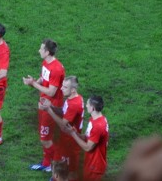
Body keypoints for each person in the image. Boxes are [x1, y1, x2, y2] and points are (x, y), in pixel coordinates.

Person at [22, 39, 66, 172]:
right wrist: (33, 81)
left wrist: (34, 85)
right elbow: (43, 79)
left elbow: (52, 92)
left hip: (51, 107)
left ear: (47, 52)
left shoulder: (57, 69)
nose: (39, 51)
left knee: (45, 139)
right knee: (44, 136)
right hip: (44, 104)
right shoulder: (46, 63)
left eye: (41, 49)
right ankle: (47, 163)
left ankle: (59, 163)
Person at [40, 76, 84, 180]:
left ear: (73, 90)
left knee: (69, 173)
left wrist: (49, 110)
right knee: (57, 166)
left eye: (65, 87)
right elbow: (64, 112)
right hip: (64, 141)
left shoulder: (74, 104)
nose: (61, 89)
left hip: (70, 144)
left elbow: (63, 126)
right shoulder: (73, 98)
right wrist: (51, 106)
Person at [65, 95, 109, 181]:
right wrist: (76, 133)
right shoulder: (95, 119)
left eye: (88, 104)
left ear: (92, 108)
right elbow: (86, 137)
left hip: (95, 166)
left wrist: (73, 135)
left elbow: (88, 147)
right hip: (90, 162)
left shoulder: (98, 126)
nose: (86, 106)